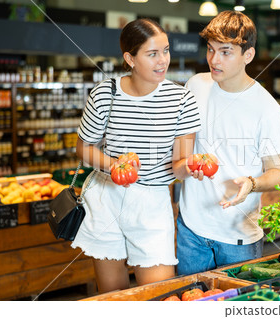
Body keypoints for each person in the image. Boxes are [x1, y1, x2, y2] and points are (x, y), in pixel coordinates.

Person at [71, 18, 201, 293]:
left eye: (165, 51)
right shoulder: (105, 93)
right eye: (152, 54)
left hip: (152, 203)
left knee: (158, 295)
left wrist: (190, 167)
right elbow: (83, 149)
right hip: (107, 199)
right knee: (114, 295)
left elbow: (178, 165)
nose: (162, 60)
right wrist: (114, 165)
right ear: (129, 58)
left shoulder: (182, 100)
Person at [177, 11, 280, 276]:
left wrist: (252, 183)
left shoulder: (267, 108)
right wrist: (187, 165)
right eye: (211, 50)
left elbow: (278, 172)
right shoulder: (195, 86)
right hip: (190, 229)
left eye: (225, 52)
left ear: (247, 55)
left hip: (238, 235)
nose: (214, 60)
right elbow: (181, 156)